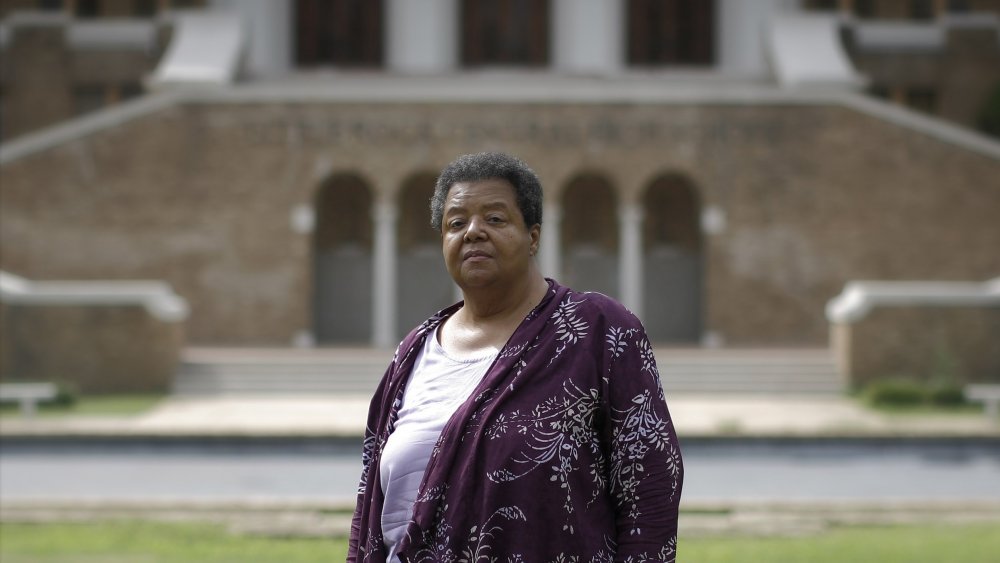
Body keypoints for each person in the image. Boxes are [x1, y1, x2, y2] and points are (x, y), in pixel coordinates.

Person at [349, 152, 683, 562]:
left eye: (495, 219)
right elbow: (368, 508)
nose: (473, 232)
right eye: (456, 223)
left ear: (534, 237)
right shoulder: (414, 351)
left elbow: (650, 489)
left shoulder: (597, 331)